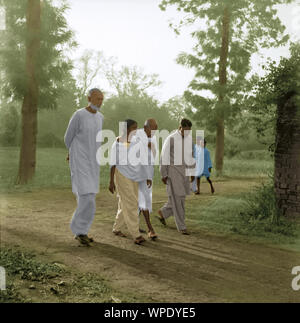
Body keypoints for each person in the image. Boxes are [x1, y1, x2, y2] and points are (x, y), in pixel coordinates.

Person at [64, 88, 104, 246]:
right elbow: (68, 137)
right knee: (86, 196)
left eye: (101, 99)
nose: (100, 102)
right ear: (89, 98)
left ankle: (82, 231)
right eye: (97, 99)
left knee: (89, 196)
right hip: (80, 160)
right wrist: (72, 153)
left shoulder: (100, 117)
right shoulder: (79, 114)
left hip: (93, 162)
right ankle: (79, 230)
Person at [109, 119, 152, 245]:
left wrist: (147, 176)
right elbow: (113, 164)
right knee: (132, 203)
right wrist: (111, 181)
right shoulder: (117, 143)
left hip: (135, 175)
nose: (136, 130)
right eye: (134, 128)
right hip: (121, 175)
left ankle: (116, 228)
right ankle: (136, 234)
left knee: (125, 203)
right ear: (127, 129)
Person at [157, 119, 195, 235]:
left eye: (189, 130)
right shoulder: (171, 138)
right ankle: (182, 226)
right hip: (173, 172)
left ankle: (163, 213)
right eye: (185, 130)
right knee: (178, 198)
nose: (187, 132)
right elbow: (164, 156)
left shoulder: (189, 140)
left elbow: (191, 156)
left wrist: (192, 172)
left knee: (179, 198)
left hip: (184, 173)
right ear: (180, 127)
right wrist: (163, 173)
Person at [132, 119, 158, 240]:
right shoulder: (136, 135)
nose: (154, 131)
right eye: (153, 129)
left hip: (148, 172)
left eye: (156, 129)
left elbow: (153, 155)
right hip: (139, 173)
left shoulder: (152, 137)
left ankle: (132, 225)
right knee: (144, 200)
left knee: (142, 200)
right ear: (145, 127)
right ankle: (150, 228)